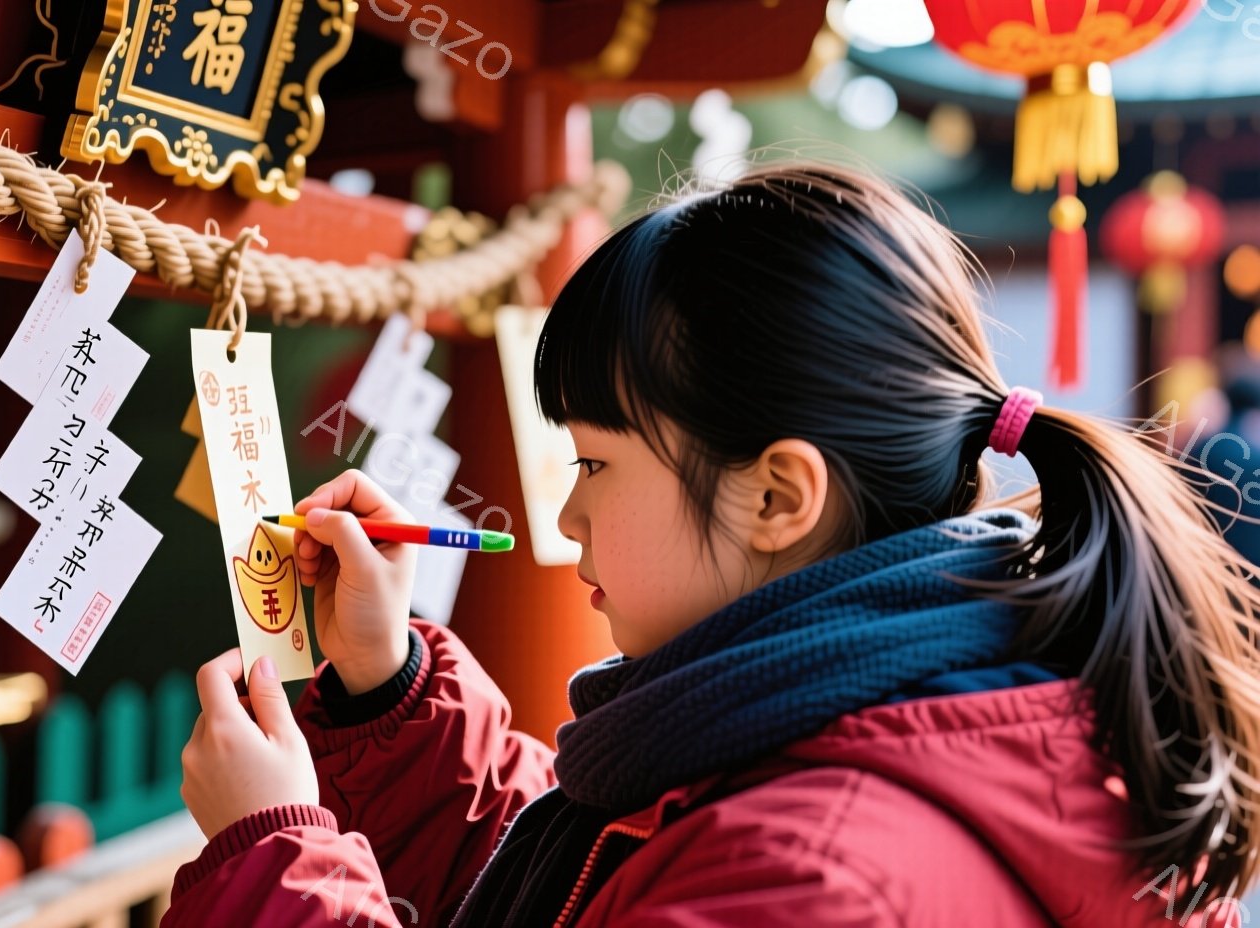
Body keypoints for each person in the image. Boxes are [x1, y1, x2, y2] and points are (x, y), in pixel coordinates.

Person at [163, 163, 1260, 927]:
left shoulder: (812, 872)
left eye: (594, 465)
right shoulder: (876, 716)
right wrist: (385, 682)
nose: (565, 517)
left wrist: (269, 857)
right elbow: (586, 880)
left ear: (777, 495)